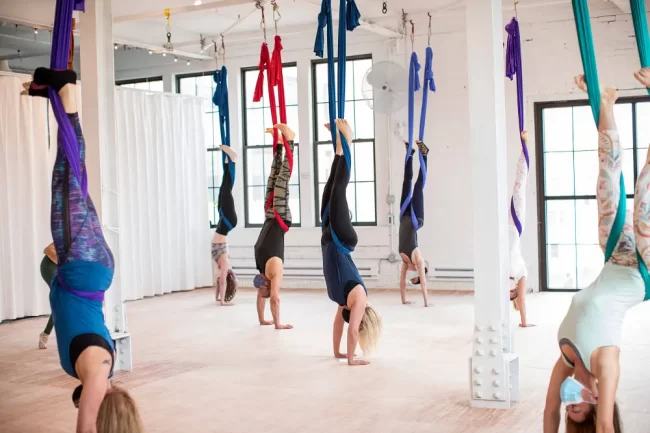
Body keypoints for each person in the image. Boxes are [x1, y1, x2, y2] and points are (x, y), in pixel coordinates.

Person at [23, 67, 144, 433]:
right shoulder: (97, 376)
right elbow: (84, 428)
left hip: (94, 269)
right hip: (82, 267)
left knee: (71, 172)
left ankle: (61, 102)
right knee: (67, 175)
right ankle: (68, 92)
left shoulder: (100, 371)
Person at [543, 70, 650, 433]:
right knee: (645, 193)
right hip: (644, 271)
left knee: (607, 183)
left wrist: (559, 421)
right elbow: (604, 427)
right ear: (597, 398)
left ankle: (606, 103)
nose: (570, 401)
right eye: (579, 405)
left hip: (616, 258)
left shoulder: (566, 357)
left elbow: (548, 415)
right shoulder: (606, 363)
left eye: (567, 407)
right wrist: (600, 410)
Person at [321, 119, 382, 366]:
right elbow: (352, 331)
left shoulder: (342, 302)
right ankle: (349, 142)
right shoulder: (359, 299)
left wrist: (336, 352)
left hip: (328, 236)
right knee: (339, 191)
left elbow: (339, 324)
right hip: (342, 239)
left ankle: (338, 148)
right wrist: (350, 359)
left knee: (329, 190)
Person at [253, 123, 294, 330]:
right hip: (280, 219)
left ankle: (279, 146)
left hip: (269, 215)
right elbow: (274, 298)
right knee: (281, 183)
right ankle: (291, 141)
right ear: (268, 285)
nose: (259, 281)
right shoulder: (275, 271)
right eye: (261, 285)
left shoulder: (262, 272)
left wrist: (262, 319)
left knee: (271, 181)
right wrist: (278, 324)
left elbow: (262, 298)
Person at [398, 140, 430, 306]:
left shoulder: (404, 261)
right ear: (419, 269)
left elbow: (402, 282)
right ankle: (424, 155)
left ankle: (410, 154)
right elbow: (424, 283)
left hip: (404, 214)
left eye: (415, 279)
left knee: (406, 182)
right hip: (417, 218)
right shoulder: (418, 259)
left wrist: (404, 300)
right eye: (417, 275)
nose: (412, 272)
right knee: (418, 186)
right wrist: (426, 302)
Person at [509, 130, 534, 327]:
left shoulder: (501, 274)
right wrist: (524, 322)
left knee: (516, 190)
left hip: (502, 226)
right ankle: (524, 148)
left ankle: (523, 149)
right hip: (514, 225)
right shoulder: (520, 273)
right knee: (519, 189)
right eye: (512, 293)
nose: (509, 290)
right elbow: (523, 301)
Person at [212, 145, 238, 306]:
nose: (220, 276)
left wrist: (216, 297)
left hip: (223, 221)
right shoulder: (225, 263)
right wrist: (223, 301)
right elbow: (222, 282)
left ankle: (228, 165)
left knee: (222, 190)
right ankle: (233, 161)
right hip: (228, 221)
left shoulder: (221, 263)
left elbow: (218, 282)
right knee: (226, 191)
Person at [38, 243, 58, 349]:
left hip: (64, 269)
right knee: (60, 300)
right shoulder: (74, 232)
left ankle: (45, 334)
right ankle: (45, 334)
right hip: (50, 265)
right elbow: (48, 249)